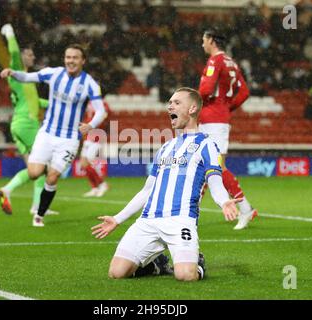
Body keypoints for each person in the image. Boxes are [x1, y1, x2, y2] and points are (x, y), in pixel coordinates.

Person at [91, 87, 240, 281]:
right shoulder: (165, 147)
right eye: (170, 102)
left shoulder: (207, 145)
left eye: (177, 102)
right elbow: (147, 190)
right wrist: (118, 219)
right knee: (116, 273)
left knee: (186, 275)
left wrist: (224, 201)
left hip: (181, 220)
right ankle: (157, 265)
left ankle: (198, 264)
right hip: (148, 220)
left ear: (193, 108)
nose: (170, 105)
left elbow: (215, 182)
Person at [0, 43, 106, 227]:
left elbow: (101, 111)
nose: (70, 61)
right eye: (68, 57)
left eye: (75, 58)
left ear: (83, 61)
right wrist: (13, 72)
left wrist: (90, 125)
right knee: (34, 173)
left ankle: (39, 215)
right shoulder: (53, 73)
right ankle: (16, 193)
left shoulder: (89, 84)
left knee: (53, 176)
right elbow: (27, 77)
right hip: (47, 134)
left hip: (69, 139)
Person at [198, 27, 257, 230]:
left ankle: (246, 208)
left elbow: (205, 89)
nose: (202, 43)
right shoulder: (231, 61)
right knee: (205, 164)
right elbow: (245, 92)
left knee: (217, 167)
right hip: (217, 118)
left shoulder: (215, 60)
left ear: (212, 41)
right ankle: (192, 208)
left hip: (212, 120)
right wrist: (226, 106)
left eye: (204, 40)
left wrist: (198, 104)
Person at [0, 24, 58, 216]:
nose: (32, 57)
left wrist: (56, 104)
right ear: (22, 57)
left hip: (19, 125)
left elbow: (35, 101)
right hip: (27, 124)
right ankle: (22, 197)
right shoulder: (16, 71)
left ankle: (32, 204)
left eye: (32, 55)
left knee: (36, 168)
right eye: (29, 55)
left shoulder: (26, 79)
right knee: (44, 165)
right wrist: (10, 33)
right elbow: (13, 52)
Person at [80, 99, 111, 197]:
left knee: (89, 161)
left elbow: (103, 118)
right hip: (88, 137)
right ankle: (94, 188)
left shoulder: (103, 103)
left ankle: (102, 184)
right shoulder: (89, 103)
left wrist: (91, 126)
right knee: (84, 163)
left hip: (97, 136)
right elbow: (87, 118)